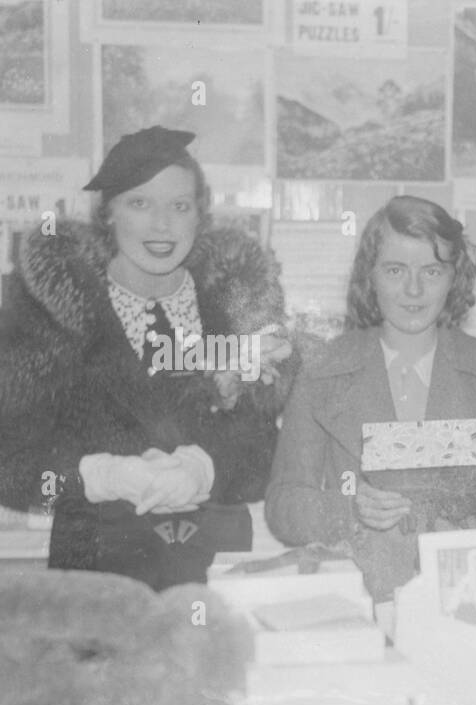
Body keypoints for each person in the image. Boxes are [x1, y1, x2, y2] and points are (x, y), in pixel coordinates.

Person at [0, 126, 291, 590]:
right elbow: (10, 468)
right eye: (139, 203)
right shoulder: (51, 314)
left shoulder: (233, 307)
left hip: (218, 570)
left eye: (179, 206)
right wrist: (99, 476)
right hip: (97, 577)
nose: (162, 225)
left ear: (200, 215)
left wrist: (206, 468)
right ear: (108, 214)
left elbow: (265, 454)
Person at [265, 196, 476, 603]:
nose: (414, 289)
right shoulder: (323, 370)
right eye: (395, 270)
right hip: (357, 602)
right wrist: (348, 508)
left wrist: (471, 515)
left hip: (461, 601)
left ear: (454, 277)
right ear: (370, 276)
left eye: (431, 271)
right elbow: (283, 506)